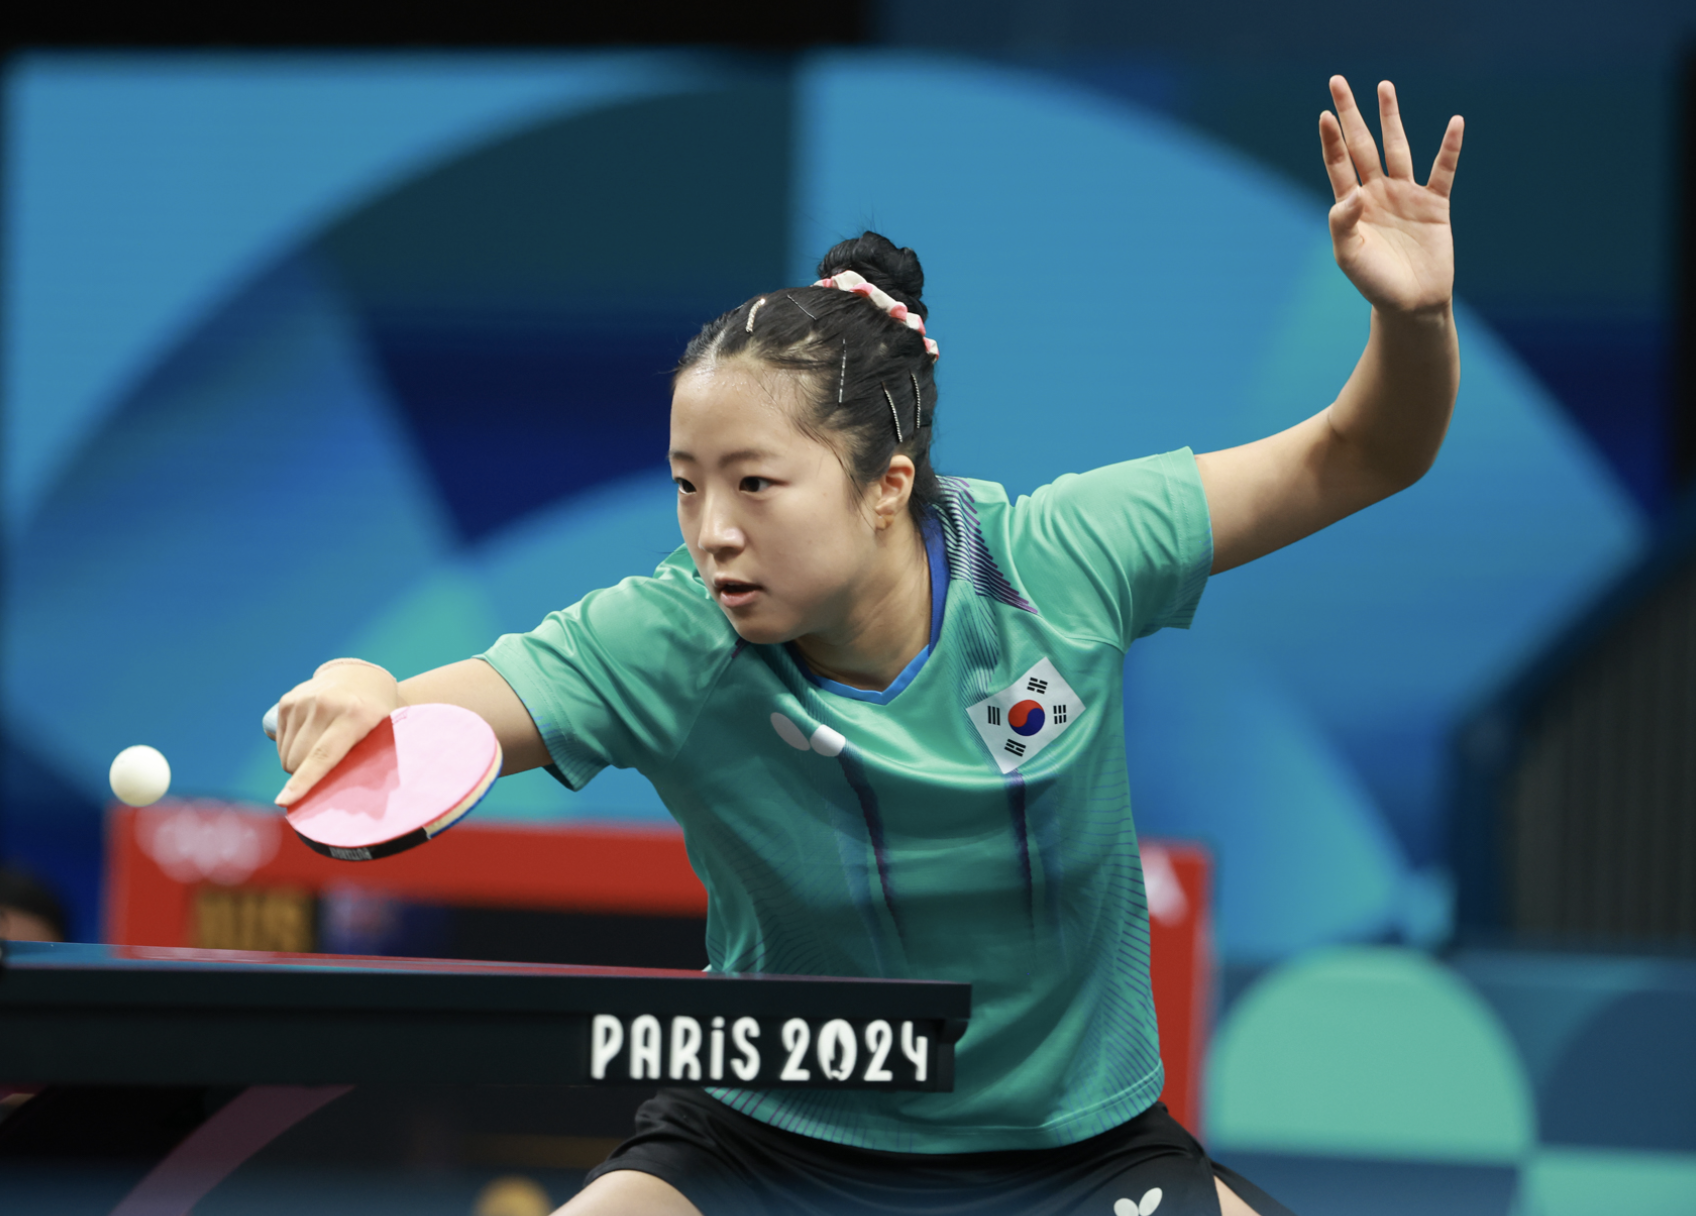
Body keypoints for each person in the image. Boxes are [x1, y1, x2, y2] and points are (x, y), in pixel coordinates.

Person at [272, 77, 1462, 1215]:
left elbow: (1364, 452)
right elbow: (428, 714)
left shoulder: (1064, 559)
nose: (712, 531)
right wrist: (357, 684)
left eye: (754, 483)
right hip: (765, 1139)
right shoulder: (671, 634)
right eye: (686, 484)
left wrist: (1412, 319)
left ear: (886, 486)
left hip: (1067, 1152)